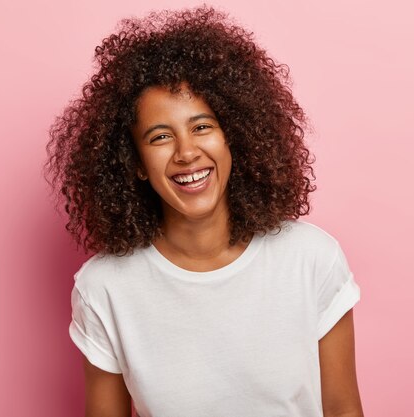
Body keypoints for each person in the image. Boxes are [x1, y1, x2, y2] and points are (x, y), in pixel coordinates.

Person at [46, 5, 364, 417]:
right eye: (161, 136)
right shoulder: (105, 289)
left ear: (234, 136)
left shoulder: (311, 259)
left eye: (201, 127)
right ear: (136, 163)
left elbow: (343, 410)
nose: (187, 153)